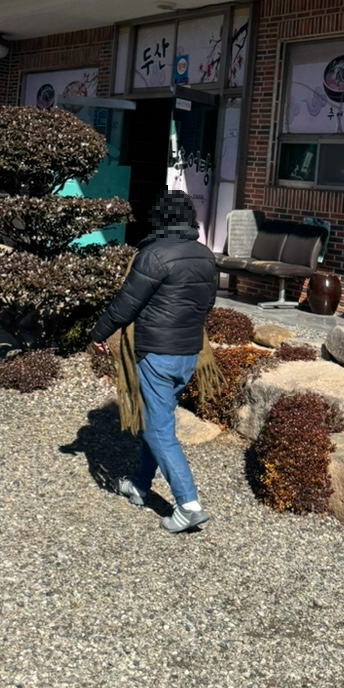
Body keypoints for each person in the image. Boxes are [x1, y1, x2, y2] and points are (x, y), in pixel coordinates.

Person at [91, 191, 218, 533]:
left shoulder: (153, 254)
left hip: (156, 354)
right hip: (188, 354)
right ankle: (138, 484)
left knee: (159, 430)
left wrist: (99, 333)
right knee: (157, 421)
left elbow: (126, 304)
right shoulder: (205, 256)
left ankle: (188, 505)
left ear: (159, 218)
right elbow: (207, 304)